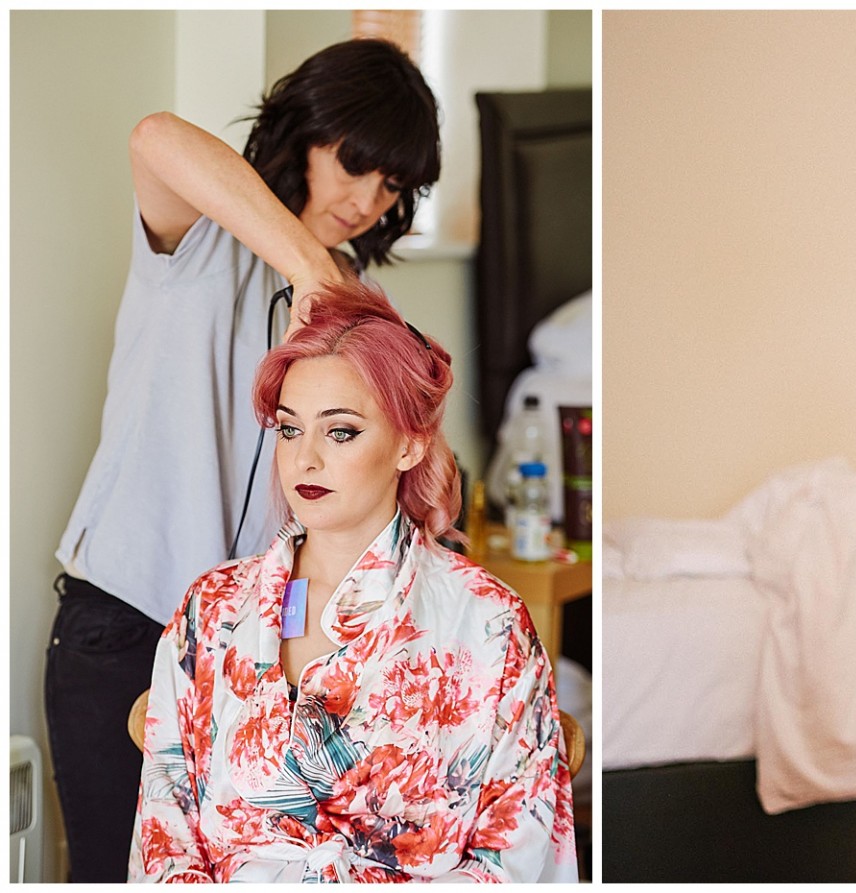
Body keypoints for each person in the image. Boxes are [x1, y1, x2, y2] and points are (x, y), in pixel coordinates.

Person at [47, 38, 439, 879]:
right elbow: (154, 137)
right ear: (309, 128)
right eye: (357, 163)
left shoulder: (365, 316)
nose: (370, 199)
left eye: (393, 185)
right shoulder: (199, 240)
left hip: (256, 648)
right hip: (122, 620)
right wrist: (308, 265)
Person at [130, 283, 578, 882]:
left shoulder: (488, 623)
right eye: (290, 430)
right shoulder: (209, 611)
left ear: (409, 443)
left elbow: (517, 861)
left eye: (340, 432)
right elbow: (166, 835)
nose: (305, 459)